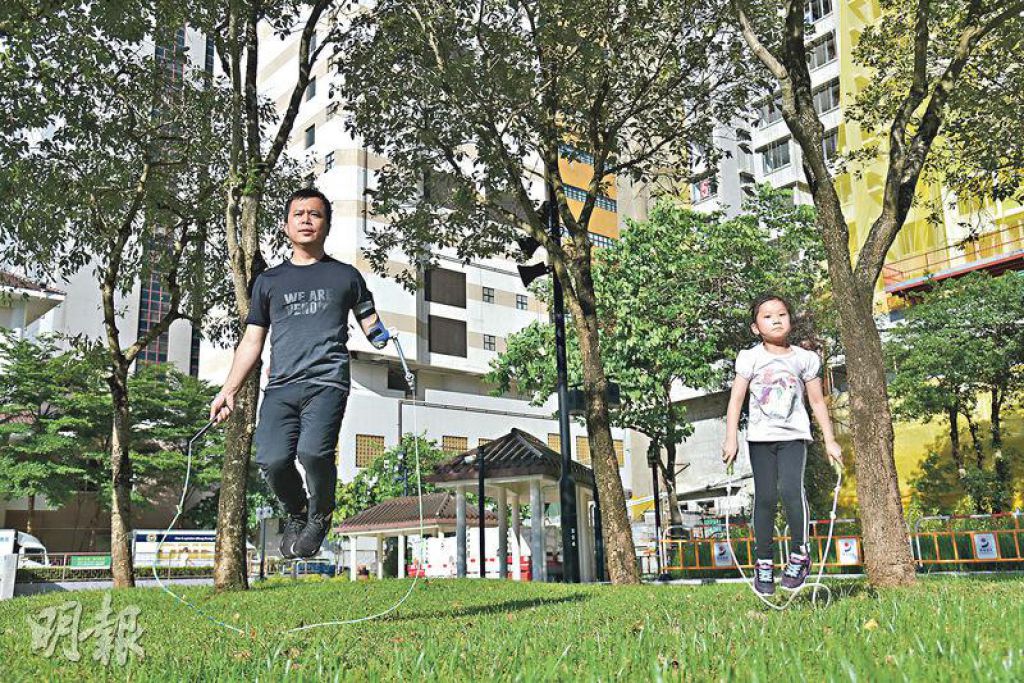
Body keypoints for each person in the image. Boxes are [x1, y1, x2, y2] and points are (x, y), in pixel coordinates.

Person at [209, 187, 392, 559]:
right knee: (272, 459)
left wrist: (380, 335)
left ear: (327, 225)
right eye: (299, 214)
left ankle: (320, 514)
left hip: (327, 382)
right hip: (280, 387)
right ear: (286, 225)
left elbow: (369, 318)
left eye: (315, 214)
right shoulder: (269, 282)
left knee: (312, 453)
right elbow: (252, 340)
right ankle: (298, 511)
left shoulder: (346, 276)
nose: (307, 220)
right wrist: (229, 390)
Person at [722, 294, 842, 595]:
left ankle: (800, 554)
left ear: (790, 320)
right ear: (755, 327)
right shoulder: (750, 358)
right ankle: (764, 562)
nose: (776, 320)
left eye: (781, 314)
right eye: (767, 316)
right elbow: (736, 400)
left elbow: (817, 401)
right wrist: (731, 438)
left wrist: (830, 440)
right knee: (764, 497)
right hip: (760, 438)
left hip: (793, 437)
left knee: (791, 490)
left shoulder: (805, 359)